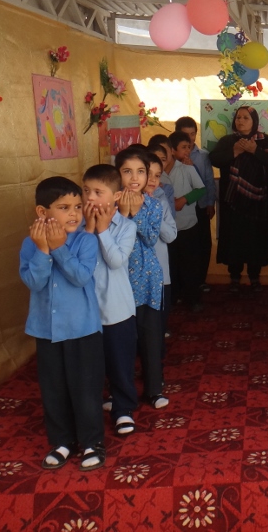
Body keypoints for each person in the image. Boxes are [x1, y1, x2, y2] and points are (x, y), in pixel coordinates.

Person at [19, 176, 105, 472]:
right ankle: (62, 441)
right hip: (46, 330)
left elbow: (80, 277)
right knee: (53, 389)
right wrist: (43, 249)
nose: (74, 214)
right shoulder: (29, 244)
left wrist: (58, 248)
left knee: (85, 388)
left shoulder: (86, 240)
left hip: (82, 329)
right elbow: (33, 281)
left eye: (78, 207)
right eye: (64, 207)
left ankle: (92, 441)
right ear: (42, 213)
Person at [81, 164, 138, 436]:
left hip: (117, 310)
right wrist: (90, 230)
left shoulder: (126, 227)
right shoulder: (78, 227)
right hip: (87, 312)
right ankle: (101, 402)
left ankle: (123, 409)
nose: (89, 197)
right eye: (86, 190)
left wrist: (103, 231)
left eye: (97, 191)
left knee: (120, 362)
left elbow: (116, 261)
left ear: (116, 196)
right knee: (92, 364)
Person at [115, 147, 167, 410]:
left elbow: (149, 237)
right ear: (117, 174)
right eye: (127, 171)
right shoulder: (110, 204)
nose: (134, 178)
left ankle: (154, 389)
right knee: (120, 339)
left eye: (140, 172)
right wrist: (124, 211)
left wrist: (135, 213)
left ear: (148, 176)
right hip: (118, 282)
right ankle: (118, 391)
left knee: (150, 337)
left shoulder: (153, 205)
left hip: (147, 280)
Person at [209, 106, 268, 292]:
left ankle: (254, 277)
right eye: (238, 117)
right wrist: (234, 152)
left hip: (258, 202)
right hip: (233, 200)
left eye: (245, 118)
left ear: (254, 121)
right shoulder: (227, 141)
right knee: (234, 238)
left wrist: (255, 150)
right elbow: (215, 159)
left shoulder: (266, 141)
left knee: (256, 238)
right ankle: (234, 277)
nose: (240, 121)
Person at [173, 116, 217, 293]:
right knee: (184, 246)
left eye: (193, 134)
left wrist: (210, 203)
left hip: (200, 205)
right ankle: (182, 283)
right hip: (180, 208)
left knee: (203, 243)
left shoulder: (203, 155)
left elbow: (208, 181)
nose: (190, 139)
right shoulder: (171, 157)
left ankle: (200, 280)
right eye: (185, 135)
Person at [167, 132, 207, 311]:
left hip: (187, 224)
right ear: (172, 150)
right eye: (183, 147)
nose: (187, 151)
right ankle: (174, 296)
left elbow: (201, 189)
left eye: (189, 147)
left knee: (190, 264)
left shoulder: (187, 168)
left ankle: (193, 298)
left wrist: (183, 200)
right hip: (167, 228)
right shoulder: (157, 173)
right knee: (172, 264)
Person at [143, 152, 177, 348]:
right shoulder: (122, 203)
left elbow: (170, 235)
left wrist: (152, 211)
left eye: (157, 175)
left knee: (157, 324)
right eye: (147, 174)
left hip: (160, 275)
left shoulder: (161, 201)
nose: (153, 180)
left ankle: (155, 364)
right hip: (134, 278)